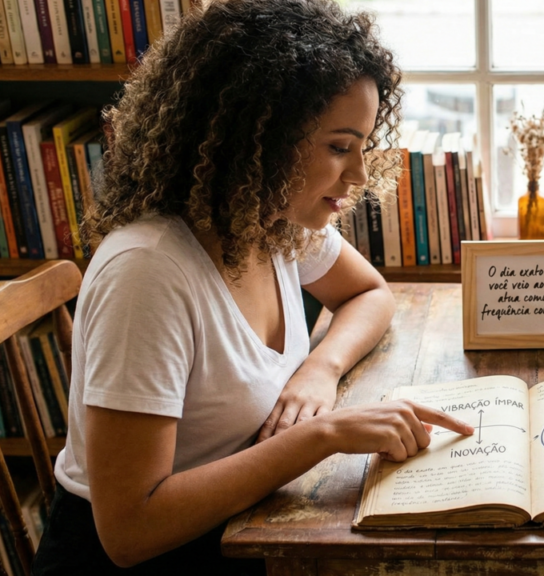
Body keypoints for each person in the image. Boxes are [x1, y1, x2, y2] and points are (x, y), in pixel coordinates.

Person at [32, 0, 474, 573]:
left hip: (244, 526)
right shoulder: (148, 273)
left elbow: (369, 293)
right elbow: (130, 530)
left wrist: (321, 367)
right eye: (339, 147)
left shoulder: (269, 220)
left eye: (363, 145)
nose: (361, 175)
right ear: (255, 140)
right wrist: (324, 435)